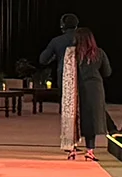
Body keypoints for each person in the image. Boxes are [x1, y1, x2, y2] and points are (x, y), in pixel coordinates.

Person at [38, 13, 111, 159]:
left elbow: (43, 60)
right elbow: (107, 72)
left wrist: (55, 58)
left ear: (62, 26)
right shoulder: (98, 52)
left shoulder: (63, 46)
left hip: (69, 84)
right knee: (91, 117)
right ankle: (90, 149)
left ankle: (72, 147)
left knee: (71, 115)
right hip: (93, 87)